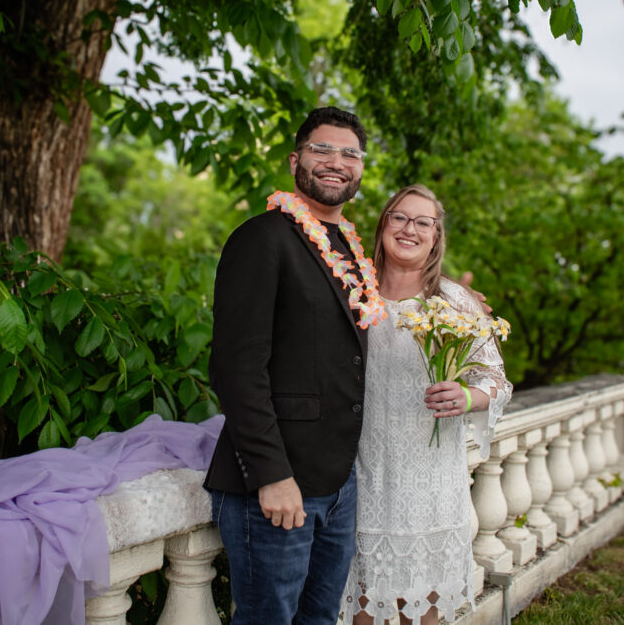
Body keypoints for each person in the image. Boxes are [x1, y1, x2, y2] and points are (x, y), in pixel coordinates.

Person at [204, 106, 388, 624]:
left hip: (339, 483)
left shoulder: (350, 249)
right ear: (294, 161)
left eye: (350, 153)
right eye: (321, 149)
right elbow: (237, 367)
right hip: (278, 485)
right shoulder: (262, 238)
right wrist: (272, 475)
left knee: (319, 619)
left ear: (361, 168)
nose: (336, 161)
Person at [340, 184, 512, 625]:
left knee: (422, 606)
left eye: (423, 222)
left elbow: (495, 380)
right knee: (361, 602)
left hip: (429, 478)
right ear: (381, 227)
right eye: (399, 217)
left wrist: (467, 396)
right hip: (361, 471)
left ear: (437, 237)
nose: (409, 229)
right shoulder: (350, 293)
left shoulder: (455, 302)